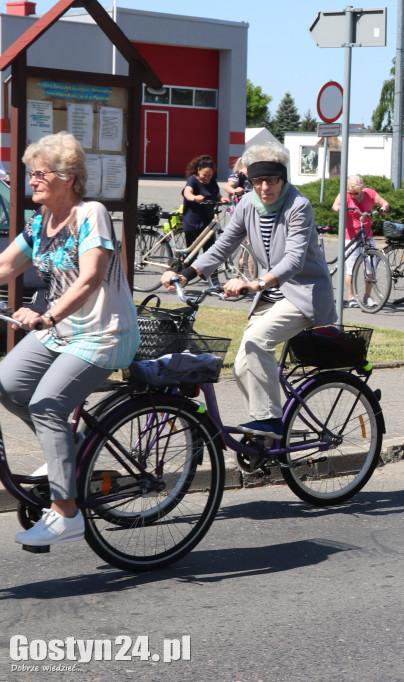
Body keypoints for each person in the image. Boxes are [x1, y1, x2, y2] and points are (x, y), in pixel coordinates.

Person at [0, 131, 139, 546]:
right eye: (29, 173)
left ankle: (66, 513)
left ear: (69, 177)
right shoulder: (40, 223)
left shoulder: (90, 213)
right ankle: (69, 452)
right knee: (8, 384)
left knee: (47, 404)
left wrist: (47, 315)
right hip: (61, 330)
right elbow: (7, 264)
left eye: (39, 173)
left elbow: (92, 276)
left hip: (103, 333)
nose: (31, 181)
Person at [162, 143, 337, 440]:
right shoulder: (247, 205)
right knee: (242, 363)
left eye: (272, 180)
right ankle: (263, 431)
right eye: (258, 181)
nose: (265, 187)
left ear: (283, 179)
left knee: (257, 340)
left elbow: (294, 260)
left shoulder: (298, 206)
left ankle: (269, 421)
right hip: (272, 294)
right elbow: (223, 245)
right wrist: (188, 273)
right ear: (250, 181)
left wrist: (255, 283)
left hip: (303, 293)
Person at [332, 175, 390, 308]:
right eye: (350, 193)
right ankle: (351, 297)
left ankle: (367, 296)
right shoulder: (345, 195)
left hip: (367, 234)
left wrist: (384, 208)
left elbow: (384, 202)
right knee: (351, 267)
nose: (353, 196)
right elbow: (335, 205)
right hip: (350, 235)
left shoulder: (369, 193)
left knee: (370, 267)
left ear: (362, 188)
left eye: (356, 193)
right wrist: (339, 208)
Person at [181, 154, 226, 251]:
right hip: (193, 221)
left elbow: (217, 194)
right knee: (192, 253)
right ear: (198, 170)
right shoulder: (193, 180)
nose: (207, 178)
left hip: (208, 220)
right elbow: (187, 192)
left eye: (209, 175)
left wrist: (222, 199)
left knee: (209, 251)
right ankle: (185, 266)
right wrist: (194, 197)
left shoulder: (212, 181)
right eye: (204, 175)